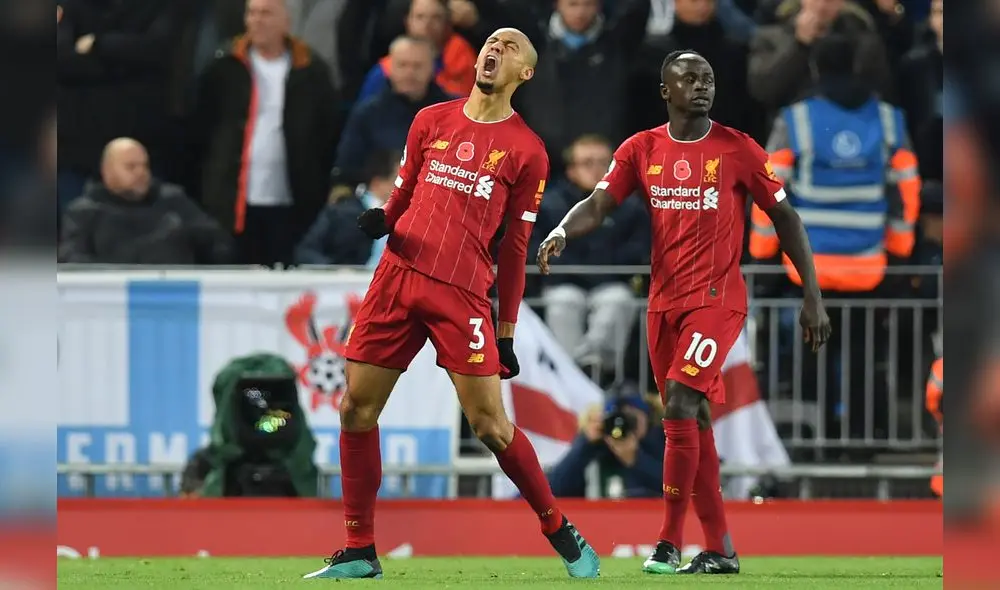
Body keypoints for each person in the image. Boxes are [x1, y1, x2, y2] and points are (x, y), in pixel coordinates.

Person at [303, 27, 600, 580]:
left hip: (460, 292)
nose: (495, 49)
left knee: (490, 426)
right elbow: (405, 188)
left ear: (525, 74)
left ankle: (558, 526)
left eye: (510, 48)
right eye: (492, 42)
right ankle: (360, 549)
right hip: (396, 274)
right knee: (355, 410)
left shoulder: (527, 151)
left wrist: (506, 329)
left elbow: (514, 249)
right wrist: (385, 220)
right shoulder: (430, 120)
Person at [536, 50, 831, 575]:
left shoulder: (738, 149)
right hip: (664, 304)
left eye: (708, 78)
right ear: (665, 91)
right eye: (689, 78)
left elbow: (785, 217)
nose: (701, 85)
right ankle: (721, 549)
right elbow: (600, 204)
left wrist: (812, 294)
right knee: (693, 422)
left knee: (676, 403)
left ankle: (668, 541)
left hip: (717, 302)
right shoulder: (640, 148)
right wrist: (560, 231)